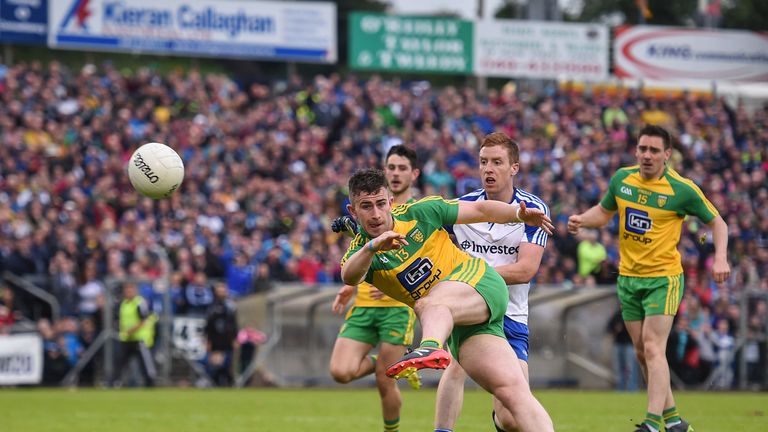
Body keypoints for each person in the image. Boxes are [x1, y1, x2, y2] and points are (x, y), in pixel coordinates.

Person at [341, 169, 555, 432]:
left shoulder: (421, 211)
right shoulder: (362, 252)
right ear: (353, 210)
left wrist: (518, 214)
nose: (375, 214)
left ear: (391, 202)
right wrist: (372, 247)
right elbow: (349, 276)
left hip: (480, 283)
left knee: (427, 303)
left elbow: (481, 211)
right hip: (464, 323)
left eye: (380, 203)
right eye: (366, 206)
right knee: (513, 396)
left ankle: (430, 346)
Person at [568, 124, 730, 432]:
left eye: (654, 150)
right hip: (628, 278)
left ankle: (653, 424)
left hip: (663, 279)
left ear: (667, 155)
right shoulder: (622, 179)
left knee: (654, 348)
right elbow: (603, 213)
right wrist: (581, 220)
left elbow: (718, 223)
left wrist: (720, 256)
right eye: (642, 148)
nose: (647, 155)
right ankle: (674, 421)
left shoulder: (682, 189)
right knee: (643, 352)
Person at [434, 132, 550, 432]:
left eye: (497, 162)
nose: (488, 169)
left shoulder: (532, 210)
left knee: (513, 414)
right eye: (484, 162)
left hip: (511, 316)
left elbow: (525, 270)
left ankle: (500, 420)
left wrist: (473, 276)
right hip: (471, 308)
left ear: (514, 168)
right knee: (454, 363)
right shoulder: (462, 207)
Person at [329, 145, 422, 432]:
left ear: (414, 174)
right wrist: (350, 288)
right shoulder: (368, 207)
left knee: (385, 380)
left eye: (402, 168)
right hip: (366, 302)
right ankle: (393, 361)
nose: (395, 173)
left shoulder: (416, 211)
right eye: (390, 167)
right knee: (340, 372)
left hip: (397, 307)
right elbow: (361, 255)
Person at [114, 282, 157, 387]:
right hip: (127, 338)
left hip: (139, 338)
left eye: (131, 290)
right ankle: (115, 382)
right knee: (120, 361)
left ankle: (150, 383)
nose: (129, 292)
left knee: (145, 363)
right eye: (127, 290)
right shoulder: (123, 304)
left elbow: (143, 320)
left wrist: (131, 330)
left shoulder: (139, 303)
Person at [204, 282, 239, 386]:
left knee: (227, 364)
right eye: (219, 291)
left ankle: (228, 384)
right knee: (216, 365)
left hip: (227, 339)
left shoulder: (231, 307)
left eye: (223, 291)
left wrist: (235, 338)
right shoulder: (211, 307)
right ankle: (215, 384)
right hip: (215, 340)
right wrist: (208, 340)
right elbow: (208, 326)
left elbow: (234, 324)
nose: (221, 293)